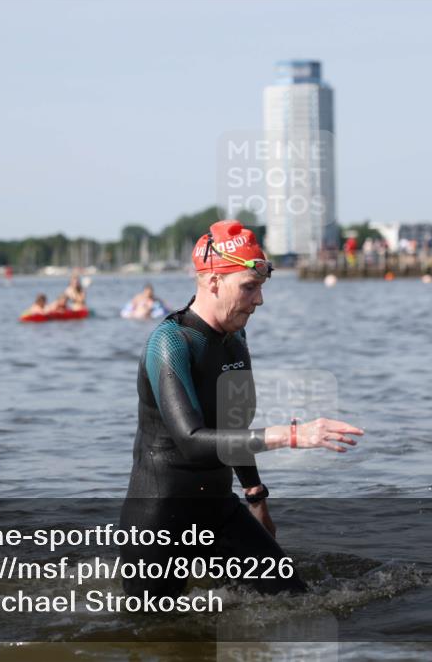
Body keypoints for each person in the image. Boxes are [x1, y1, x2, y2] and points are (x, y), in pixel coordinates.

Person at [120, 219, 364, 598]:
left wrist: (255, 495)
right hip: (160, 520)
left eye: (260, 288)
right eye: (249, 288)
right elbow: (191, 440)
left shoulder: (235, 337)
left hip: (219, 509)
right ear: (213, 281)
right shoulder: (169, 343)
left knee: (297, 600)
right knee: (156, 635)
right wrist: (293, 435)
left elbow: (232, 423)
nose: (259, 300)